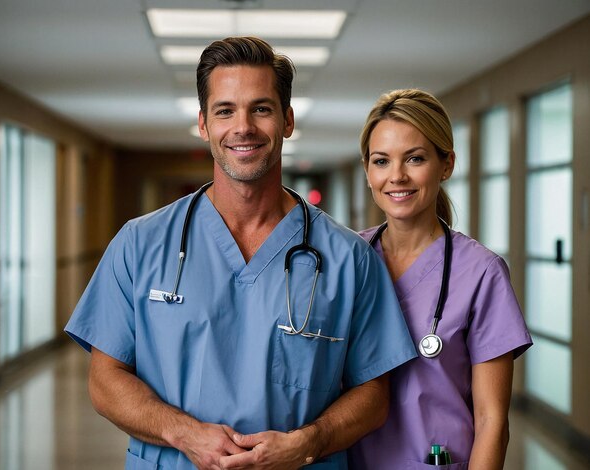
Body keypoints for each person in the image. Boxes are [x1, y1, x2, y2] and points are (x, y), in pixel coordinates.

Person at [65, 37, 417, 470]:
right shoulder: (140, 244)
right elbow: (105, 380)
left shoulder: (349, 259)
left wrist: (309, 442)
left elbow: (374, 394)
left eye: (261, 109)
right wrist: (185, 434)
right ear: (203, 124)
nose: (243, 126)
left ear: (287, 120)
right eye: (225, 110)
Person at [348, 89, 533, 469]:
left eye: (415, 158)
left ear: (446, 164)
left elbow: (492, 421)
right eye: (381, 161)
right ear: (368, 171)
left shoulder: (481, 272)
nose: (396, 176)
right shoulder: (347, 259)